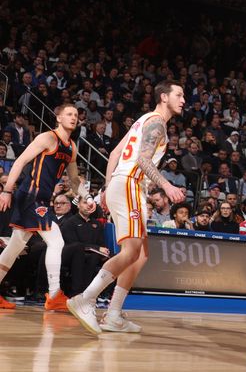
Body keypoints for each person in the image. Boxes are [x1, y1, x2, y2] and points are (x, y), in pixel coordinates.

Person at [67, 80, 186, 334]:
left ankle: (113, 315)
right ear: (163, 97)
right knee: (131, 251)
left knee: (140, 255)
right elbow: (142, 160)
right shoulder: (156, 123)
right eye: (179, 94)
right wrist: (167, 186)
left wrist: (109, 189)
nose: (183, 99)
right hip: (131, 183)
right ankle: (85, 299)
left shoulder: (142, 120)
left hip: (124, 184)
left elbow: (114, 155)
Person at [0, 103, 81, 311]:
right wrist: (7, 190)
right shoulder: (47, 137)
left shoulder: (72, 147)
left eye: (76, 115)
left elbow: (73, 179)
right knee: (56, 241)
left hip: (43, 199)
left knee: (15, 247)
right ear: (59, 118)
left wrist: (85, 196)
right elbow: (19, 161)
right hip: (30, 196)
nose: (73, 117)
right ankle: (54, 295)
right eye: (69, 114)